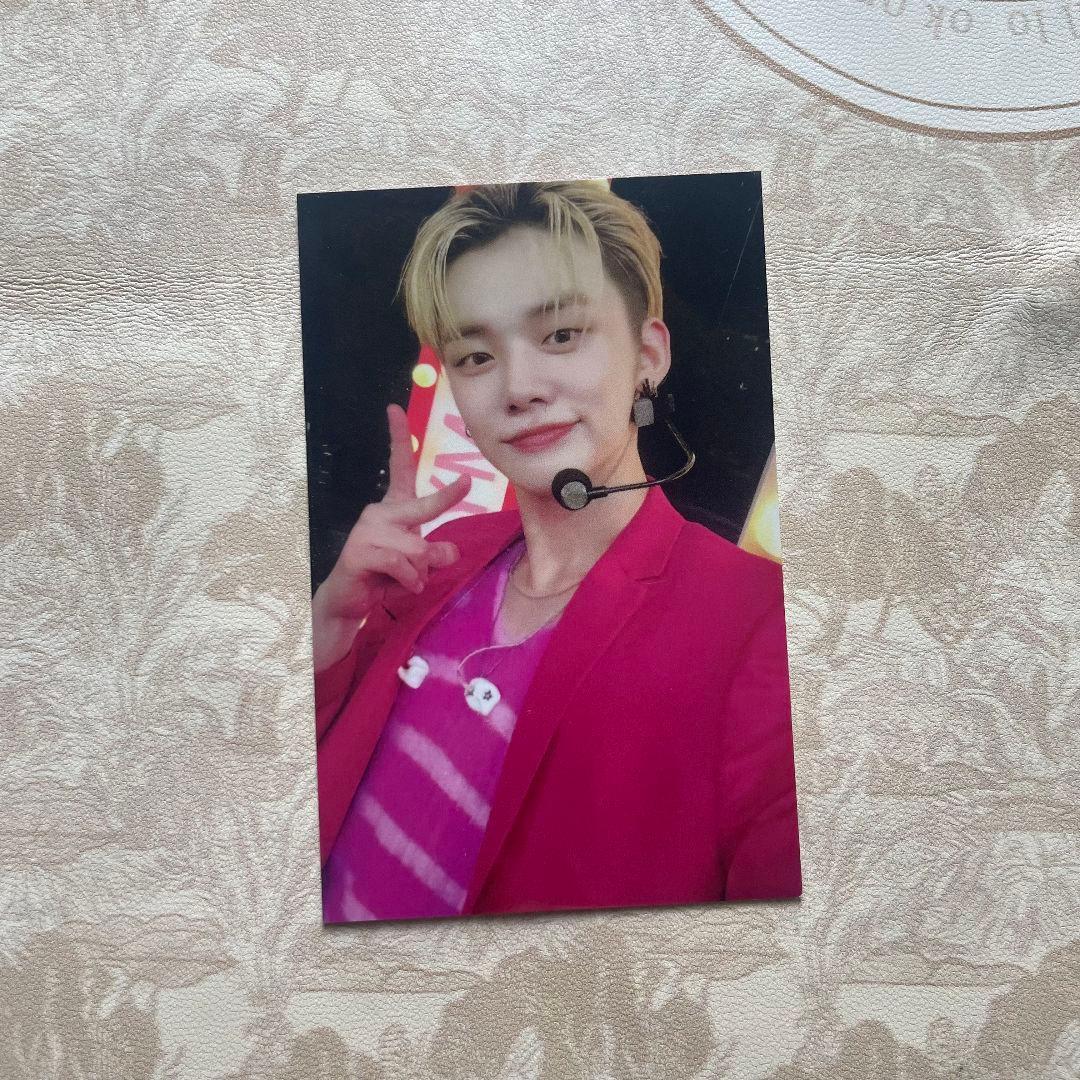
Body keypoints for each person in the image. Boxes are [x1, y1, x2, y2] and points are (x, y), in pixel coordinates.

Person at [312, 181, 801, 922]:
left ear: (648, 354)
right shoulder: (436, 559)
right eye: (475, 355)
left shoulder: (759, 623)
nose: (517, 388)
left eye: (562, 335)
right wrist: (330, 623)